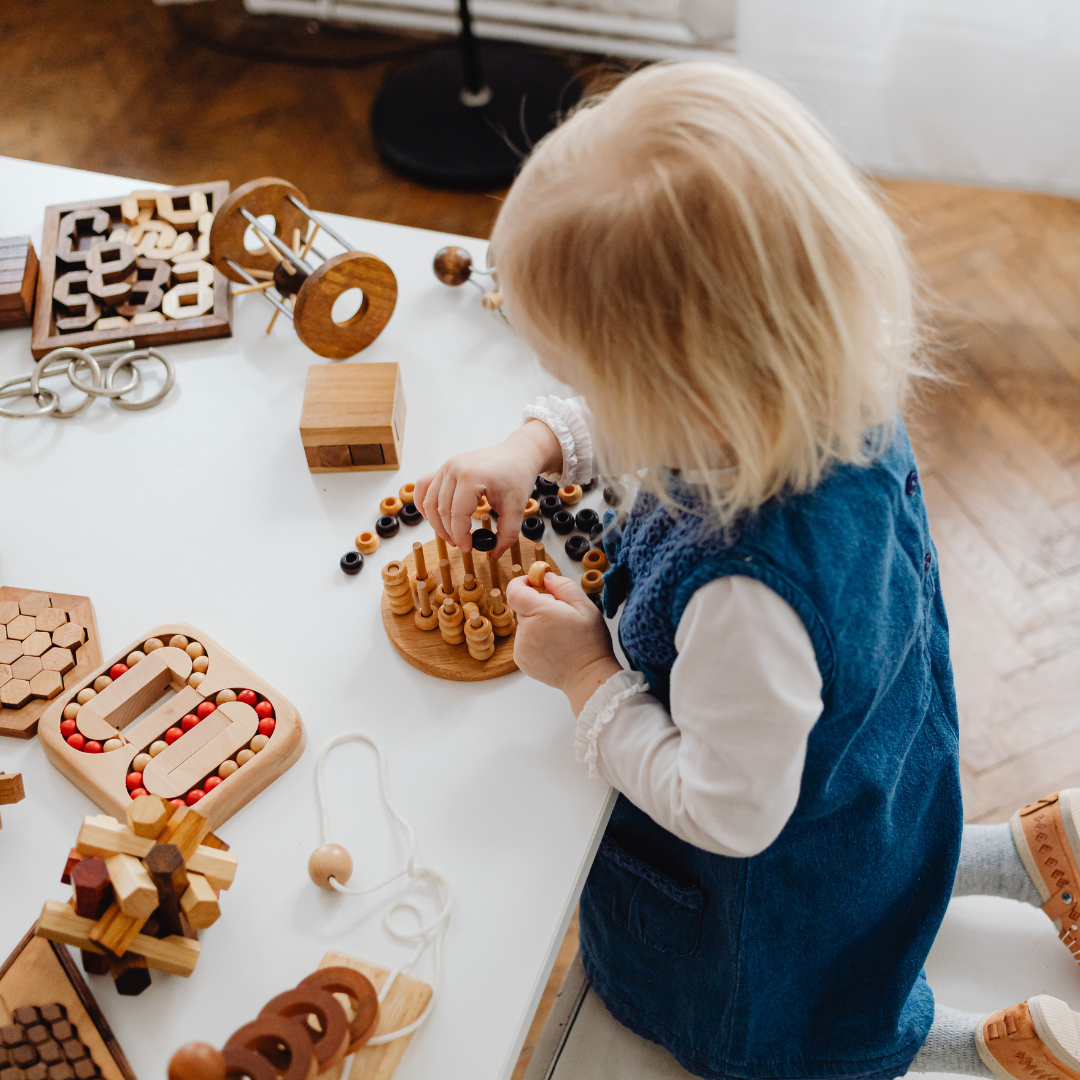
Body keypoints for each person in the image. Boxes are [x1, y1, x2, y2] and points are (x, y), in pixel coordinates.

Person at [415, 62, 1080, 1080]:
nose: (568, 392)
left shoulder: (743, 599)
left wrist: (588, 675)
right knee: (876, 880)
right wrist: (536, 445)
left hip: (767, 867)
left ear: (684, 394)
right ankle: (1005, 862)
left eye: (583, 377)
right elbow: (663, 410)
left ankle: (934, 1055)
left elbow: (727, 811)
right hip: (873, 765)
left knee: (788, 1025)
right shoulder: (818, 377)